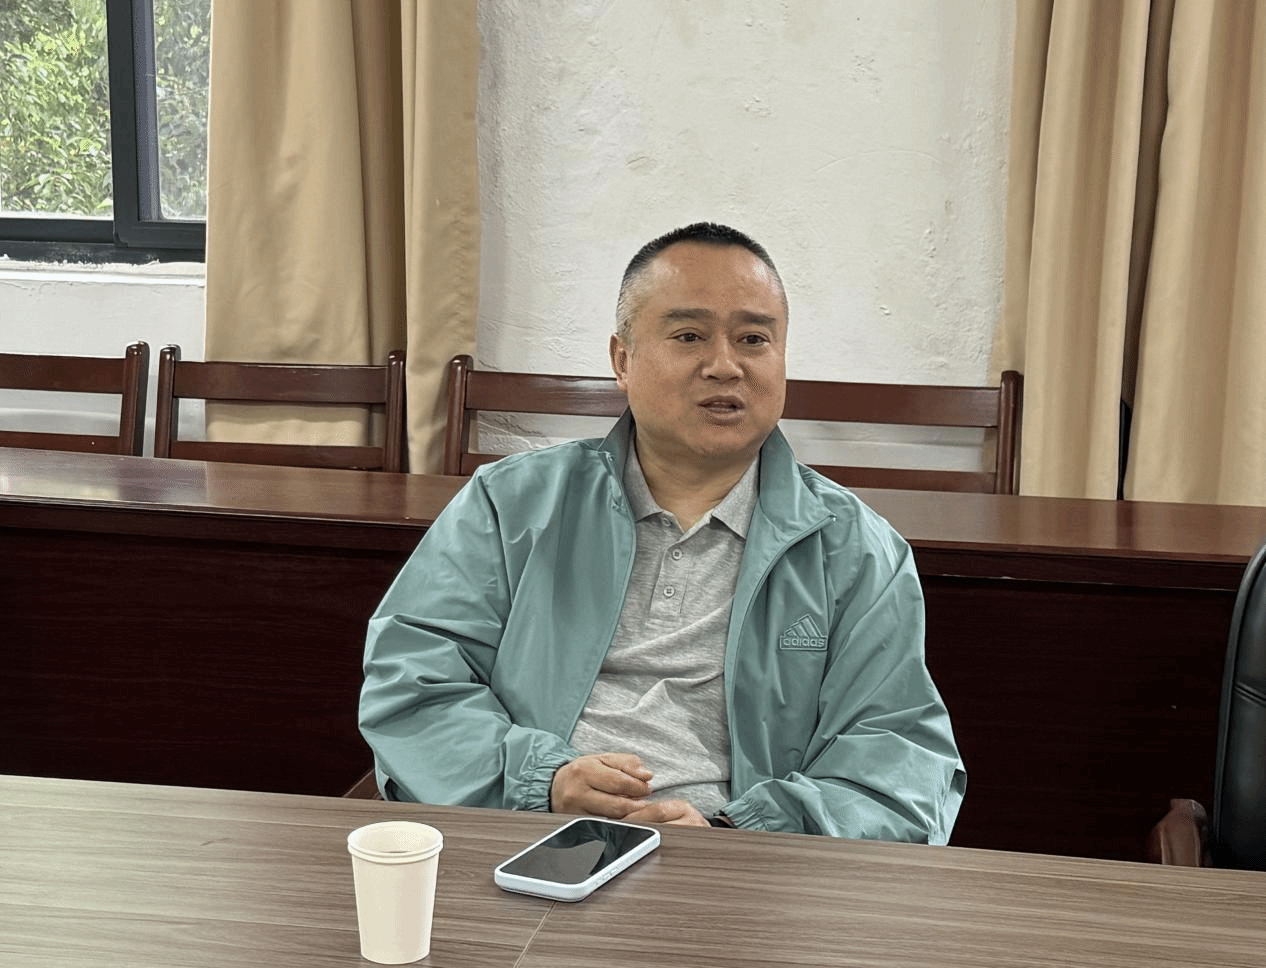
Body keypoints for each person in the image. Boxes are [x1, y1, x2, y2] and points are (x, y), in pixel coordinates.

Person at [359, 222, 965, 840]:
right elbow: (412, 682)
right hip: (524, 831)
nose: (724, 366)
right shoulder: (510, 503)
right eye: (689, 336)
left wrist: (735, 832)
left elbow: (897, 761)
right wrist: (544, 781)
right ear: (623, 360)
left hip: (741, 862)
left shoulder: (856, 548)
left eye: (753, 339)